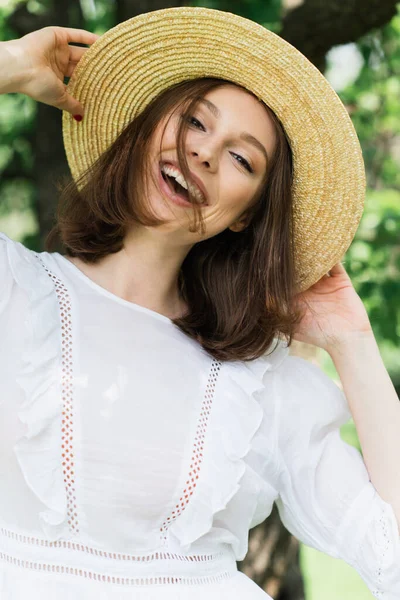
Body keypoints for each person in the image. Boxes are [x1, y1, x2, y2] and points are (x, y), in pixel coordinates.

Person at [0, 7, 399, 600]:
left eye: (243, 159)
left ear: (246, 217)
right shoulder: (14, 289)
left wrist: (353, 341)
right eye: (193, 122)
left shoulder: (260, 386)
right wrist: (10, 64)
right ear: (143, 131)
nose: (207, 153)